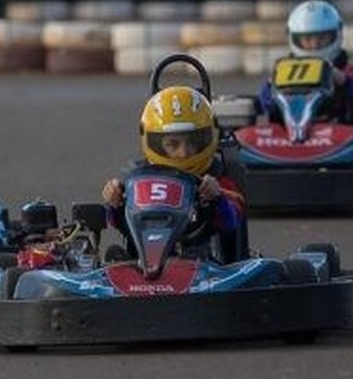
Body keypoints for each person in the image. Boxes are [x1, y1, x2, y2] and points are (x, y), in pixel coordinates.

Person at [102, 85, 248, 263]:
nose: (184, 153)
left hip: (207, 266)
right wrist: (114, 203)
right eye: (173, 144)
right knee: (115, 253)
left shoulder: (216, 176)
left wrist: (217, 198)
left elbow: (233, 218)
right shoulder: (140, 178)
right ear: (154, 141)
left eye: (192, 142)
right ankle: (133, 268)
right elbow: (118, 223)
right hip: (143, 265)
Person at [259, 0, 353, 130]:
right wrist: (273, 83)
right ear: (294, 38)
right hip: (288, 142)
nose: (314, 45)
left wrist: (343, 81)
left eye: (321, 38)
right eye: (307, 39)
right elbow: (265, 103)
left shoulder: (351, 71)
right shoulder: (283, 70)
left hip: (341, 140)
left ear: (336, 35)